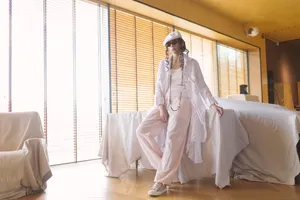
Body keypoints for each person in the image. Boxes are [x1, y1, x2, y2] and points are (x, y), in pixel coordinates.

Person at [136, 31, 223, 196]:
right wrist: (161, 106)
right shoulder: (164, 64)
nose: (171, 46)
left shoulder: (192, 64)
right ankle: (165, 166)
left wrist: (213, 104)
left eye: (174, 42)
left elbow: (202, 86)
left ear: (181, 43)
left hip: (184, 103)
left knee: (172, 137)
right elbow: (159, 86)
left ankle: (161, 181)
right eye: (168, 44)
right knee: (141, 131)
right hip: (166, 102)